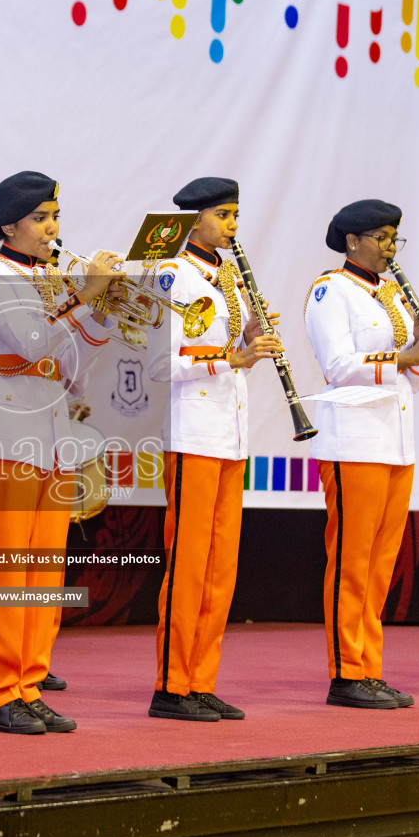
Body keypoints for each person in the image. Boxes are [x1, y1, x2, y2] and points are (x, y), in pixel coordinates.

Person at [0, 170, 121, 733]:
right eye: (40, 218)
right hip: (6, 429)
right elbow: (30, 342)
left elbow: (75, 367)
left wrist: (104, 315)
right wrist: (86, 296)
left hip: (52, 433)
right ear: (9, 224)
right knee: (10, 569)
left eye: (55, 216)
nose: (53, 228)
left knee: (44, 572)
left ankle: (30, 683)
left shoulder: (52, 279)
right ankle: (1, 693)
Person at [303, 199, 419, 709]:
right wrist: (403, 354)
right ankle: (346, 672)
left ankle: (369, 667)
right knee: (351, 561)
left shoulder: (391, 295)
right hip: (354, 439)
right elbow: (340, 364)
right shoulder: (330, 290)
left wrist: (418, 345)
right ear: (352, 241)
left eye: (394, 240)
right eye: (382, 238)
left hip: (395, 441)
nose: (390, 248)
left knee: (382, 563)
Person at [145, 177, 280, 722]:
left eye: (235, 216)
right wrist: (230, 360)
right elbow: (157, 365)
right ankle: (171, 685)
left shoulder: (229, 278)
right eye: (223, 215)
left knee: (221, 567)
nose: (232, 226)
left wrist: (250, 334)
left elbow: (232, 348)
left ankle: (202, 680)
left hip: (230, 436)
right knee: (189, 564)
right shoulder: (170, 274)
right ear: (193, 219)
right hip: (192, 433)